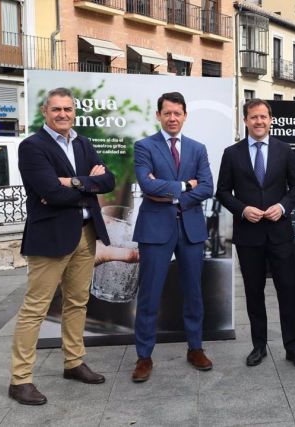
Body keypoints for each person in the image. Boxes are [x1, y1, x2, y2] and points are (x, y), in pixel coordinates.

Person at [9, 87, 115, 405]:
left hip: (86, 233)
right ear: (45, 111)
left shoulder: (82, 143)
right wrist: (87, 184)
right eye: (57, 109)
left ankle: (73, 362)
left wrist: (72, 182)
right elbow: (49, 193)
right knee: (35, 309)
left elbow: (108, 181)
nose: (63, 115)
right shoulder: (32, 147)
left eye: (68, 109)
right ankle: (20, 379)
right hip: (51, 236)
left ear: (74, 112)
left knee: (78, 302)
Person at [215, 99, 295, 369]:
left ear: (271, 120)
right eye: (253, 117)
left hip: (280, 234)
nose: (259, 122)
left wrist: (282, 207)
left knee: (288, 292)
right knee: (254, 293)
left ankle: (294, 348)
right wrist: (243, 210)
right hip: (248, 236)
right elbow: (222, 191)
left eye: (264, 117)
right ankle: (259, 346)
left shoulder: (284, 150)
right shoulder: (231, 153)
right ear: (245, 120)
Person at [131, 92, 214, 382]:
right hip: (155, 230)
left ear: (185, 115)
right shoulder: (144, 147)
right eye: (167, 113)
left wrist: (175, 196)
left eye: (177, 113)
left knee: (193, 293)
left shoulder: (198, 149)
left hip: (190, 227)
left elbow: (207, 187)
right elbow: (146, 185)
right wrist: (184, 184)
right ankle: (144, 356)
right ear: (158, 115)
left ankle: (195, 348)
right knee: (150, 295)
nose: (172, 118)